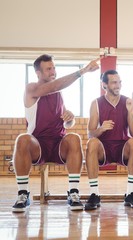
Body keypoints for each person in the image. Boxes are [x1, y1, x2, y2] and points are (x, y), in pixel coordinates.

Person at [11, 54, 100, 212]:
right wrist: (84, 70)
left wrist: (69, 118)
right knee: (22, 139)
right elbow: (54, 86)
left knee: (73, 137)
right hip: (37, 145)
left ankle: (73, 193)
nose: (53, 71)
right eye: (48, 69)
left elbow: (67, 123)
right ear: (38, 73)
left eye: (54, 68)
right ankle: (23, 194)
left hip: (58, 144)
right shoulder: (32, 88)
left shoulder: (58, 93)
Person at [84, 69, 133, 210]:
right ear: (104, 85)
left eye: (119, 82)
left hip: (123, 146)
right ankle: (94, 194)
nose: (118, 85)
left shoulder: (128, 101)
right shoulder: (96, 103)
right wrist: (101, 129)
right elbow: (91, 134)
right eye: (114, 82)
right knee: (91, 143)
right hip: (104, 148)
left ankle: (130, 192)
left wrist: (130, 112)